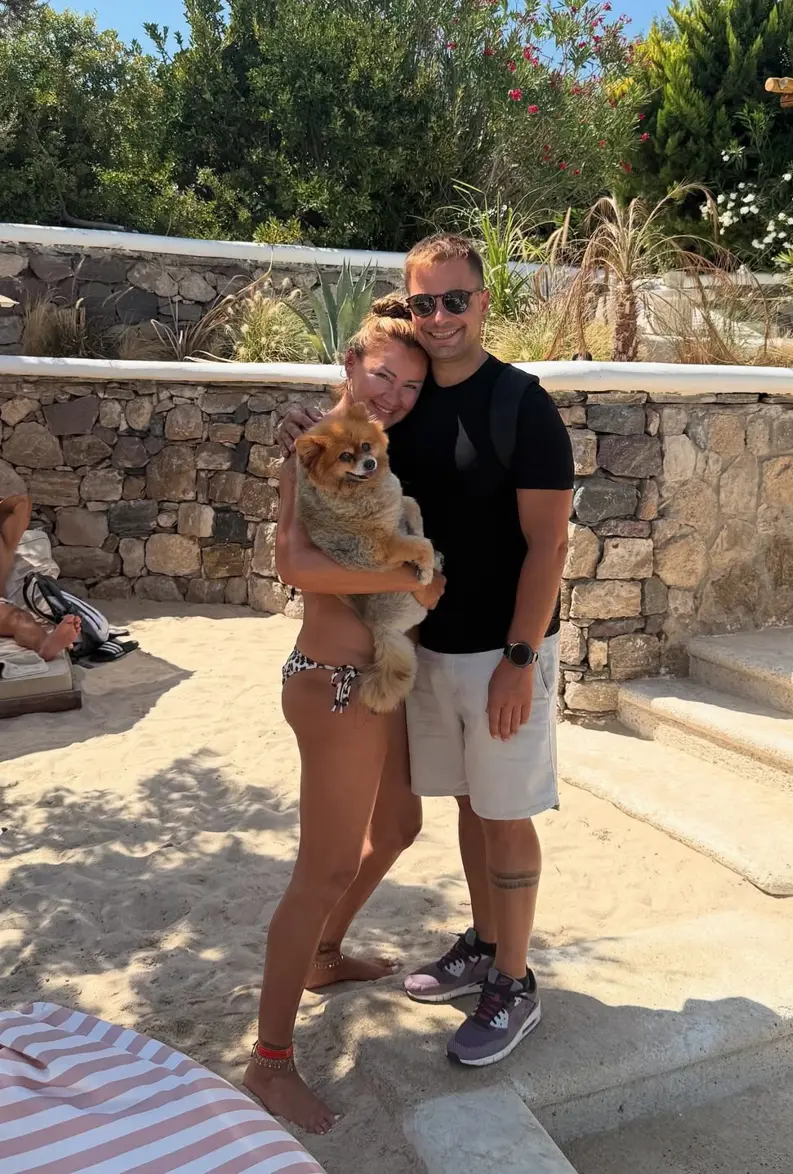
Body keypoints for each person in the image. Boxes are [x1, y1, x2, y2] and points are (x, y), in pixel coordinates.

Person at [278, 233, 574, 1072]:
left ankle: (514, 982)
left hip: (502, 651)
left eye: (454, 300)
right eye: (424, 302)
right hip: (428, 648)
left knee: (505, 814)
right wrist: (305, 424)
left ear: (483, 302)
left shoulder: (521, 404)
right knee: (471, 806)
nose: (439, 317)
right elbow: (348, 453)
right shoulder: (404, 405)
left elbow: (550, 545)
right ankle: (484, 943)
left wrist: (521, 658)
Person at [244, 297, 445, 1135]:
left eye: (410, 385)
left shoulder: (377, 450)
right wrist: (406, 580)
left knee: (397, 826)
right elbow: (295, 563)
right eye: (383, 374)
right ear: (351, 364)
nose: (393, 394)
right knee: (321, 869)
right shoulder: (314, 446)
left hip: (377, 678)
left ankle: (325, 956)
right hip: (331, 682)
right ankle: (269, 1062)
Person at [0, 493, 80, 659]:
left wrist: (2, 507)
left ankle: (45, 645)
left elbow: (22, 502)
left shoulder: (5, 541)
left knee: (20, 618)